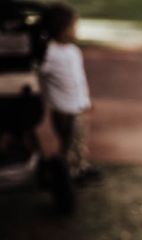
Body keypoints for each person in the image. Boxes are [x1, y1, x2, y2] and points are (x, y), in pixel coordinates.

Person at [39, 2, 100, 183]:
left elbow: (79, 80)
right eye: (73, 26)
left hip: (77, 107)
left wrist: (85, 100)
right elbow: (40, 73)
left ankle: (80, 167)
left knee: (78, 141)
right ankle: (70, 173)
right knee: (69, 142)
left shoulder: (73, 51)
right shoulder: (49, 53)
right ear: (62, 28)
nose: (75, 30)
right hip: (63, 110)